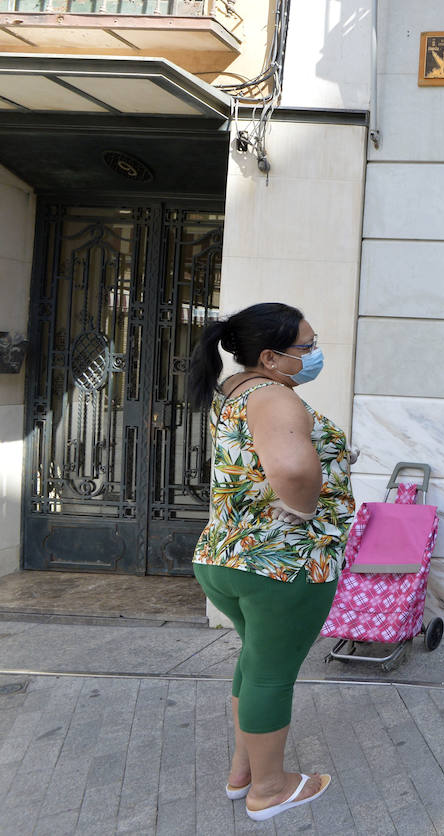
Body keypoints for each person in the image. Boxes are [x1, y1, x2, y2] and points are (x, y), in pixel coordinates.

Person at [187, 303, 355, 822]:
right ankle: (269, 790)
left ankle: (244, 772)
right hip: (281, 565)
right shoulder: (275, 396)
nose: (313, 353)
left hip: (227, 556)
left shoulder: (238, 390)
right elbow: (288, 467)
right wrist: (306, 507)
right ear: (270, 357)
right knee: (270, 676)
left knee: (255, 662)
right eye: (305, 347)